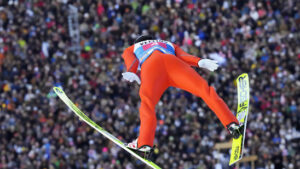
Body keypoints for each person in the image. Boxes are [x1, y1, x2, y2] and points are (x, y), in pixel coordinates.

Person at [122, 35, 243, 153]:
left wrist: (131, 71)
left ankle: (144, 143)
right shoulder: (167, 43)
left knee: (147, 104)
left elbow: (130, 59)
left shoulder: (133, 47)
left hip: (151, 66)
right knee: (205, 90)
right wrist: (199, 61)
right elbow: (183, 55)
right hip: (173, 63)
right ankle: (231, 123)